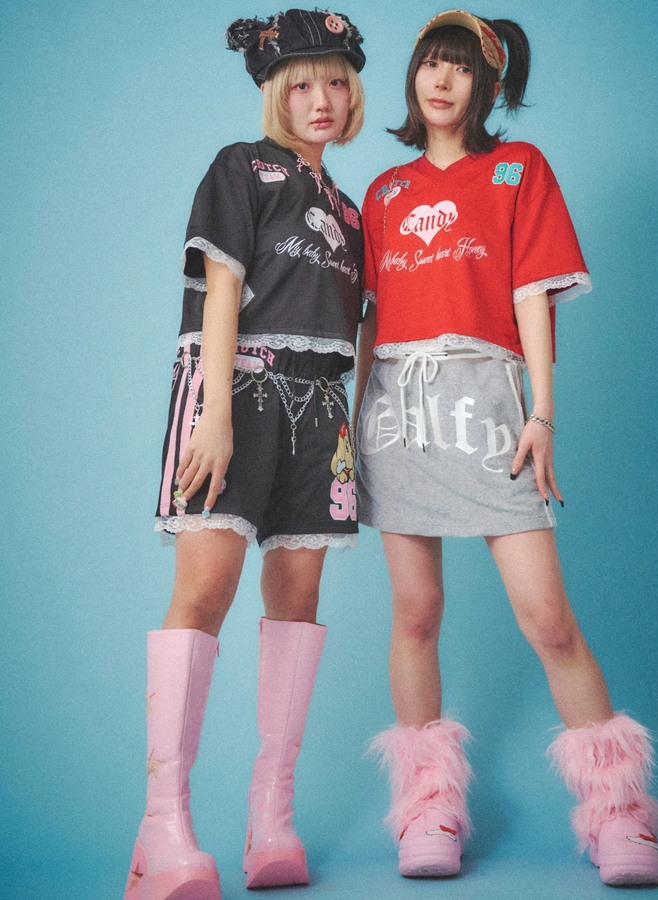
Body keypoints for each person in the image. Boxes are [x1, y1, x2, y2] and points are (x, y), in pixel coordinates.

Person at [354, 10, 658, 886]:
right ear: (413, 76)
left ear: (486, 85)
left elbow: (533, 293)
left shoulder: (517, 169)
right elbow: (372, 317)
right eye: (430, 63)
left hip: (487, 406)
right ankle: (427, 809)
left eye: (459, 67)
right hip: (397, 412)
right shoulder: (383, 192)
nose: (440, 79)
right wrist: (349, 419)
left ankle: (619, 815)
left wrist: (542, 412)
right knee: (415, 613)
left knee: (548, 619)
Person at [124, 10, 365, 898]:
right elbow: (221, 288)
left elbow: (362, 329)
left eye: (335, 82)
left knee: (297, 597)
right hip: (237, 388)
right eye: (301, 85)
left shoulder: (349, 211)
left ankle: (272, 822)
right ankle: (162, 830)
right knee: (206, 590)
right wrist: (216, 414)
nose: (320, 99)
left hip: (321, 409)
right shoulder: (241, 167)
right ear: (274, 94)